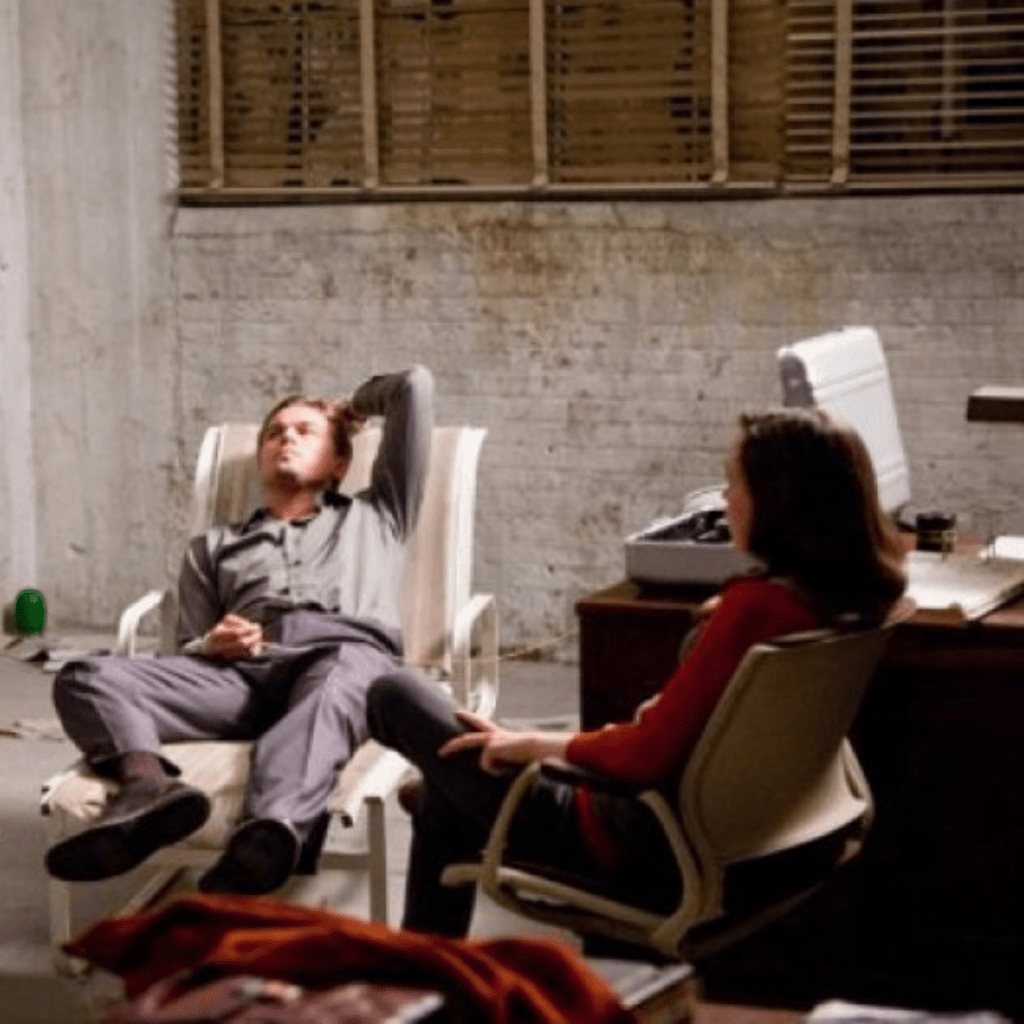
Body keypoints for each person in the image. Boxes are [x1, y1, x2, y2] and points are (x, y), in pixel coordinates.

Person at [366, 406, 908, 937]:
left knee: (396, 692)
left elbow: (646, 755)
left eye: (734, 484)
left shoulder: (754, 610)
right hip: (762, 837)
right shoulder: (852, 600)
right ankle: (424, 977)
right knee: (442, 798)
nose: (725, 501)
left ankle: (420, 973)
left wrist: (529, 744)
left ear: (778, 500)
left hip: (629, 835)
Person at [46, 365, 434, 896]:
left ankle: (267, 834)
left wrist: (353, 406)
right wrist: (213, 644)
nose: (285, 439)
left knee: (337, 679)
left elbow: (414, 386)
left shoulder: (380, 513)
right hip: (241, 677)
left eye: (304, 431)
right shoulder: (212, 547)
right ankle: (149, 789)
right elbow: (183, 650)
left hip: (342, 657)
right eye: (274, 433)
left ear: (340, 462)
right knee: (86, 677)